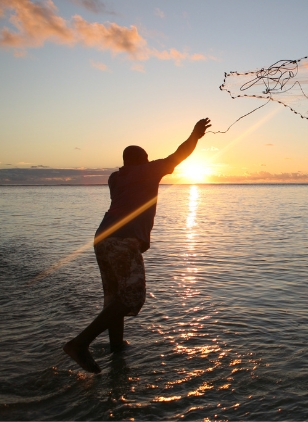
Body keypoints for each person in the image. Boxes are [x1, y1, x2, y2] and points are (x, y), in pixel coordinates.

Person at [64, 118, 211, 373]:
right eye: (146, 157)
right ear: (143, 160)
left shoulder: (115, 178)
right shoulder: (147, 171)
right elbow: (178, 155)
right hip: (122, 241)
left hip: (102, 239)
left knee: (114, 296)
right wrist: (195, 136)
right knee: (133, 297)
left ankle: (117, 346)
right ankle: (80, 344)